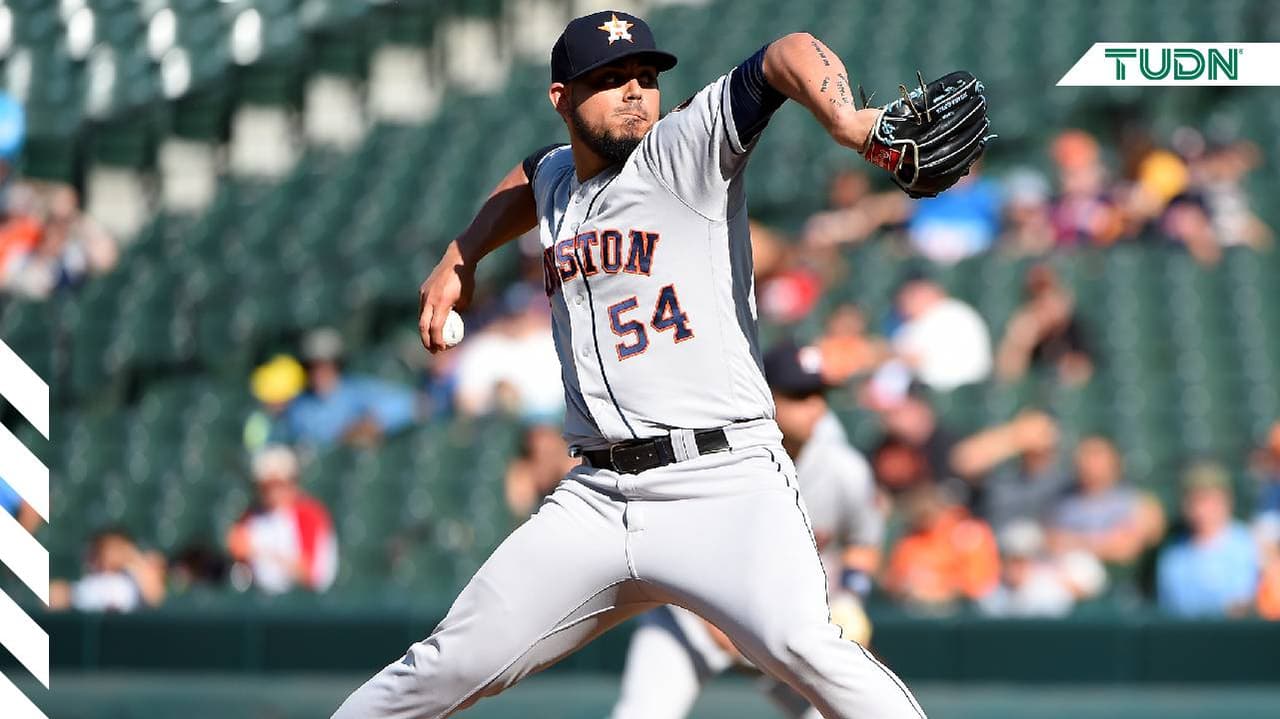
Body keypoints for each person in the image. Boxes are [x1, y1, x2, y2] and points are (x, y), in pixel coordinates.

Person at [332, 8, 991, 716]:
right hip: (595, 497)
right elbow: (530, 176)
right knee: (443, 664)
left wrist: (850, 121)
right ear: (562, 99)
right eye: (609, 79)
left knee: (807, 649)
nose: (635, 92)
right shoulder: (559, 181)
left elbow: (785, 54)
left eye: (644, 76)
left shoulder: (684, 149)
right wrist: (460, 255)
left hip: (722, 481)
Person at [608, 342, 886, 719]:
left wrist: (852, 596)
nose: (816, 407)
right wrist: (726, 628)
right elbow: (669, 557)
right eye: (800, 395)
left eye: (820, 394)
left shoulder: (842, 469)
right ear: (763, 396)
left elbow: (862, 542)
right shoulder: (710, 463)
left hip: (788, 628)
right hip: (692, 619)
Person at [226, 446, 338, 595]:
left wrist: (256, 552)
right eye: (266, 486)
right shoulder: (250, 516)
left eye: (278, 484)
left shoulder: (308, 515)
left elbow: (310, 573)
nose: (272, 492)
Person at [1156, 461, 1260, 618]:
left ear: (1226, 501)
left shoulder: (1249, 545)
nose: (1200, 510)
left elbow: (1242, 605)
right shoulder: (1173, 554)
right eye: (1193, 500)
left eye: (1207, 500)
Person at [283, 327, 418, 447]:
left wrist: (374, 421)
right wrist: (345, 433)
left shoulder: (355, 390)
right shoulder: (300, 406)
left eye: (325, 366)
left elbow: (410, 403)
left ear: (337, 365)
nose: (318, 373)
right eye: (311, 367)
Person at [1047, 436, 1165, 567]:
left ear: (1114, 460)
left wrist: (1075, 542)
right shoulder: (1063, 503)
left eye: (1095, 454)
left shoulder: (1137, 502)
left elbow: (1127, 549)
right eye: (1084, 455)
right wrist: (1105, 542)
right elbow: (1051, 543)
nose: (1087, 462)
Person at [882, 482, 1000, 612]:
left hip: (966, 612)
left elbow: (978, 582)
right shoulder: (910, 540)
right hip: (915, 612)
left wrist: (937, 589)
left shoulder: (968, 532)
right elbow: (893, 581)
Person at [949, 410, 1073, 534]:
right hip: (996, 546)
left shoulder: (1065, 481)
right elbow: (963, 461)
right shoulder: (1004, 478)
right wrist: (1013, 438)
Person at [885, 271, 992, 391]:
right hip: (931, 389)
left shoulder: (949, 312)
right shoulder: (921, 319)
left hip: (954, 390)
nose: (905, 302)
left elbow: (911, 358)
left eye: (912, 296)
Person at [994, 264, 1093, 386]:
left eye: (1049, 292)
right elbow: (1008, 376)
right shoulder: (1027, 329)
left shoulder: (1073, 328)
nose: (1045, 299)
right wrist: (1020, 342)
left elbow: (1084, 373)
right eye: (1037, 295)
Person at [48, 528, 166, 612]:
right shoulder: (91, 581)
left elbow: (155, 598)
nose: (108, 553)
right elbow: (56, 596)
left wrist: (130, 555)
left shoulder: (133, 578)